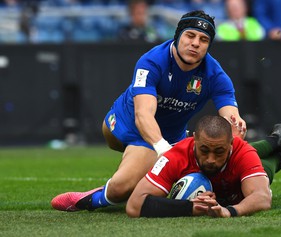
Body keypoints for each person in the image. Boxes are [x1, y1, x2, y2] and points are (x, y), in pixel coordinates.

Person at [51, 10, 250, 212]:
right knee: (126, 182)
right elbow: (143, 115)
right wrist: (164, 151)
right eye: (190, 35)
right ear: (178, 35)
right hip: (127, 126)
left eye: (204, 39)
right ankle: (92, 197)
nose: (196, 43)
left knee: (127, 187)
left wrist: (235, 127)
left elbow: (230, 116)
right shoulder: (152, 61)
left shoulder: (216, 75)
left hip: (170, 138)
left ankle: (277, 148)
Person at [126, 115, 281, 218]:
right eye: (204, 150)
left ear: (232, 143)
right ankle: (279, 142)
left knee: (265, 170)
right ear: (194, 139)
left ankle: (279, 148)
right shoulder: (175, 156)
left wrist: (229, 211)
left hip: (235, 188)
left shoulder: (242, 150)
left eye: (219, 152)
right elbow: (134, 205)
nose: (210, 160)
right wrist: (191, 207)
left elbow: (262, 197)